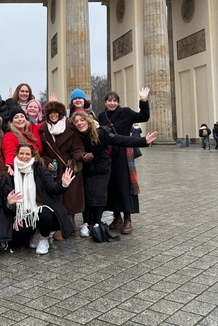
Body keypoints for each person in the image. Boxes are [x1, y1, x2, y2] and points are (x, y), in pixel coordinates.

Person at [72, 111, 157, 237]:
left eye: (82, 120)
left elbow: (120, 139)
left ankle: (96, 223)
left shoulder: (101, 132)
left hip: (102, 167)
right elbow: (75, 150)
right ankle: (86, 223)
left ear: (88, 121)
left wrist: (143, 141)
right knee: (87, 194)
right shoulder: (76, 135)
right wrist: (83, 157)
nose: (80, 123)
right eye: (76, 121)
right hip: (86, 167)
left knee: (100, 194)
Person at [97, 88, 150, 235]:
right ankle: (117, 217)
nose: (112, 103)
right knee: (111, 185)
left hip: (123, 153)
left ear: (118, 102)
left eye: (115, 100)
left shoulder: (125, 112)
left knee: (124, 185)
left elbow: (144, 116)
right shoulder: (101, 116)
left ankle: (128, 218)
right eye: (109, 100)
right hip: (107, 154)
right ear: (105, 102)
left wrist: (143, 100)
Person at [11, 143, 75, 254]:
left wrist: (63, 185)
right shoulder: (12, 171)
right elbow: (10, 197)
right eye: (21, 153)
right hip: (24, 211)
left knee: (44, 213)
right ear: (17, 154)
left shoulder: (40, 169)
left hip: (42, 207)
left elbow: (51, 187)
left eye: (27, 154)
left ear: (33, 156)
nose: (24, 156)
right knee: (20, 233)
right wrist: (15, 216)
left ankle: (43, 239)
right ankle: (35, 232)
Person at [39, 101, 87, 239]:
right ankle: (59, 223)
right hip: (53, 168)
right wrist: (47, 162)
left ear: (61, 114)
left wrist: (81, 156)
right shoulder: (43, 130)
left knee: (70, 198)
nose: (53, 115)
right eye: (50, 113)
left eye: (56, 112)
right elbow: (43, 153)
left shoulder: (70, 127)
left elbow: (77, 147)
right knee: (56, 197)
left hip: (68, 167)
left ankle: (68, 223)